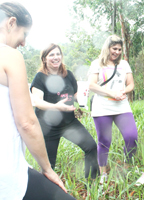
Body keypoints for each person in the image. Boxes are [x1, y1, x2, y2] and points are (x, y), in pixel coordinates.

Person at [0, 2, 75, 200]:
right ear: (11, 23)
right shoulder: (8, 55)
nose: (23, 43)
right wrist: (47, 169)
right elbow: (27, 123)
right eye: (24, 34)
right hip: (0, 174)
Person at [30, 43, 99, 180]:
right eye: (51, 55)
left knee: (91, 147)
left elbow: (73, 96)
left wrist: (83, 96)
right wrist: (57, 107)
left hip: (69, 123)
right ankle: (47, 192)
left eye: (58, 54)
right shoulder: (40, 77)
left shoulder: (68, 75)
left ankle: (92, 183)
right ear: (44, 59)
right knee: (49, 165)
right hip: (48, 127)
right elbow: (37, 102)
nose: (56, 57)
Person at [88, 35, 138, 183]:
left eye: (119, 49)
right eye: (113, 48)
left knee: (131, 137)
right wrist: (112, 93)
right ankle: (103, 173)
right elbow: (91, 85)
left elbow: (130, 84)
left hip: (121, 106)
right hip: (102, 107)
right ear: (107, 48)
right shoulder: (97, 63)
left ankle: (127, 166)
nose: (116, 52)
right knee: (104, 141)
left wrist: (124, 92)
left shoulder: (124, 64)